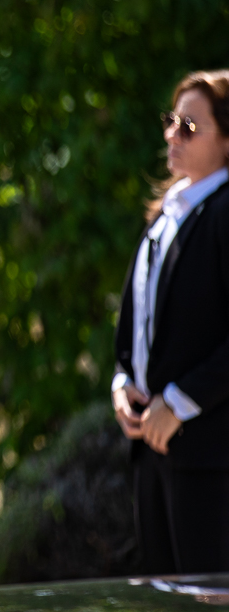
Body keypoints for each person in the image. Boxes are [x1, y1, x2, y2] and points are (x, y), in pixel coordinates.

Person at [111, 70, 229, 574]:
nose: (171, 134)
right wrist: (123, 382)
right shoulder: (166, 215)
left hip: (210, 457)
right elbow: (135, 328)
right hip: (152, 454)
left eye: (190, 126)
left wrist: (178, 403)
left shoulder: (225, 213)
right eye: (171, 121)